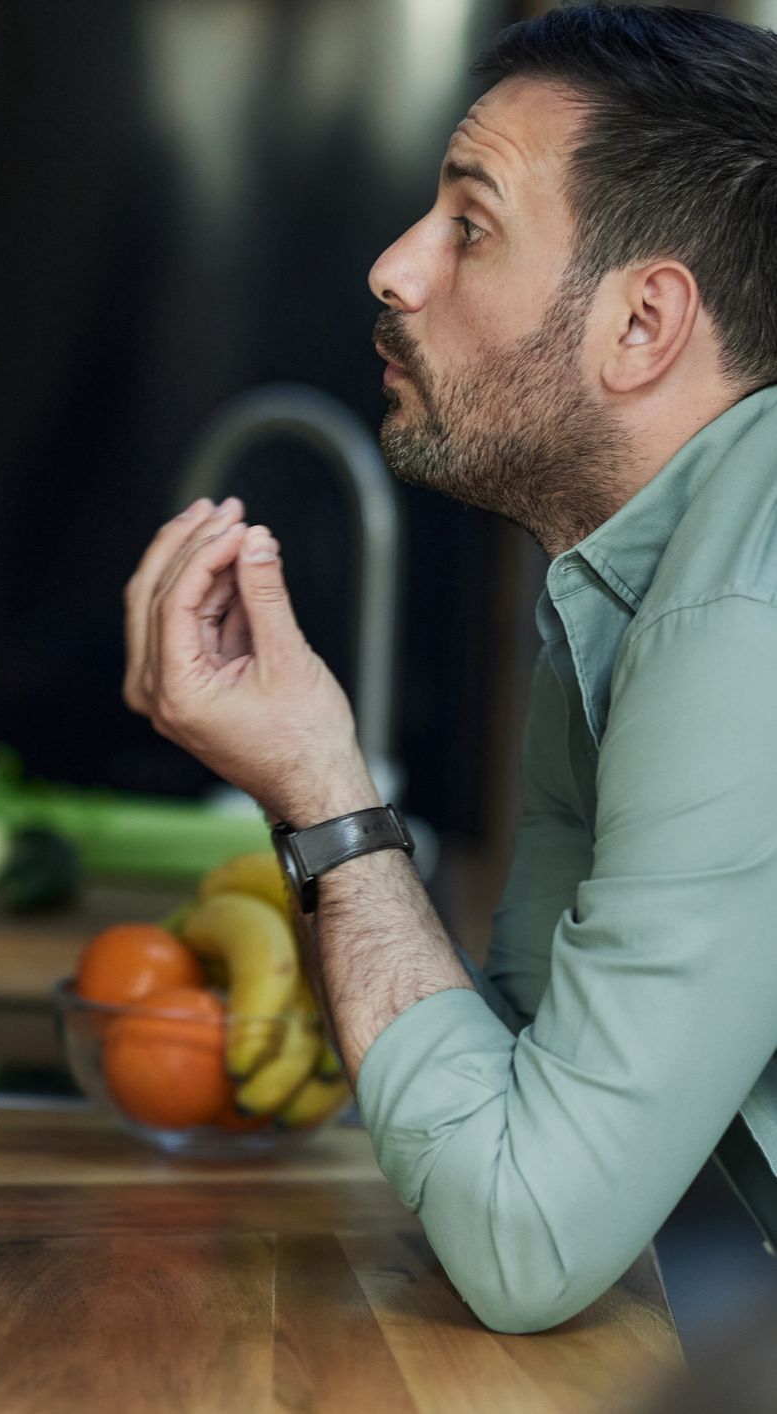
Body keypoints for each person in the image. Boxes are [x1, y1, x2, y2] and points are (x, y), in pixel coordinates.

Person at [125, 2, 777, 1333]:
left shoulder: (734, 611)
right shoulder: (611, 572)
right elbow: (513, 1089)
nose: (391, 266)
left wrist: (320, 786)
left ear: (641, 322)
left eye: (466, 224)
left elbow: (524, 1235)